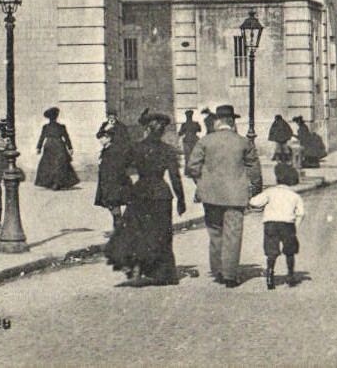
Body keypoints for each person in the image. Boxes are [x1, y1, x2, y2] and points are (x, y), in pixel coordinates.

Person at [185, 102, 262, 288]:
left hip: (210, 196)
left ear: (217, 122)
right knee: (233, 234)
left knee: (215, 232)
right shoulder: (244, 142)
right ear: (232, 122)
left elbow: (191, 168)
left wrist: (201, 184)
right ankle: (230, 275)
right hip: (236, 196)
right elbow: (254, 171)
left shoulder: (205, 141)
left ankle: (217, 271)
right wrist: (256, 191)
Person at [105, 113, 185, 285]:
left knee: (137, 231)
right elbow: (175, 177)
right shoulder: (167, 150)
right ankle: (163, 273)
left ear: (147, 129)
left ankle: (137, 269)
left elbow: (119, 168)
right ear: (162, 131)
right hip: (162, 194)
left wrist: (125, 189)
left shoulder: (136, 148)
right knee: (162, 233)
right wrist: (181, 200)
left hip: (140, 192)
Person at [250, 161, 305, 290]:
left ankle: (270, 276)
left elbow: (254, 202)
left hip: (271, 223)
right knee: (289, 250)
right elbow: (301, 213)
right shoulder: (294, 196)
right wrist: (295, 226)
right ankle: (290, 275)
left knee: (271, 251)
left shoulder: (270, 192)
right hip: (287, 224)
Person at [95, 116, 132, 234]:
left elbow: (116, 168)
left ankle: (119, 230)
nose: (100, 140)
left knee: (114, 204)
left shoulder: (113, 151)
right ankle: (120, 228)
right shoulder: (108, 149)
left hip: (113, 183)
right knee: (114, 205)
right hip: (110, 182)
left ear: (109, 138)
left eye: (102, 138)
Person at [34, 107, 79, 190]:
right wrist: (70, 147)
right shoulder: (61, 127)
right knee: (60, 164)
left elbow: (42, 137)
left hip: (49, 146)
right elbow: (66, 137)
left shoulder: (46, 127)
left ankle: (53, 183)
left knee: (49, 165)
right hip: (58, 145)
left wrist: (38, 147)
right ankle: (57, 183)